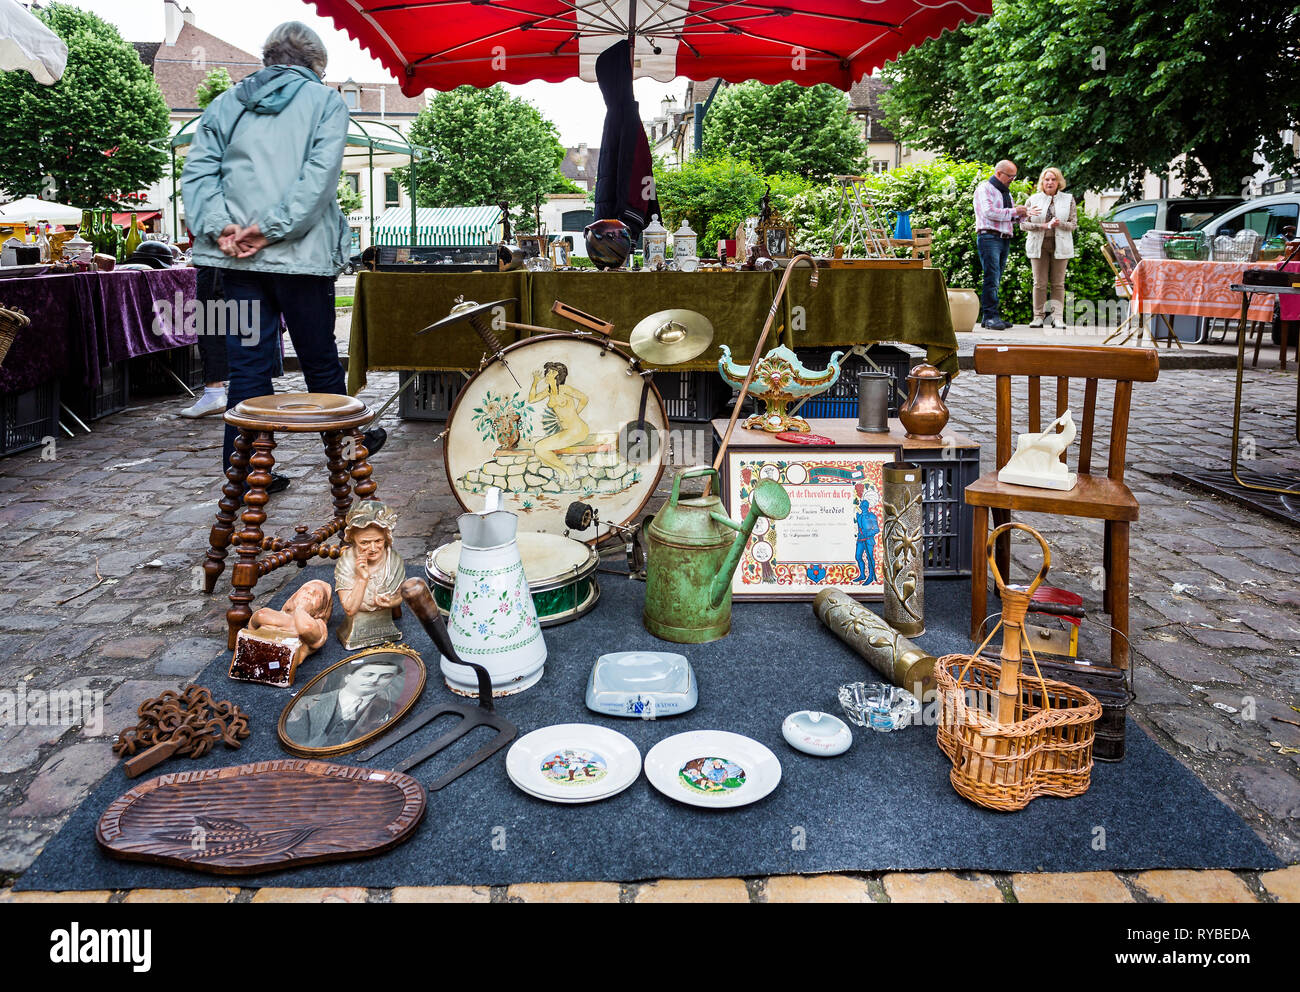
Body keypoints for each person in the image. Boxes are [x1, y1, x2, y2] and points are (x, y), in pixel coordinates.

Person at [180, 21, 383, 491]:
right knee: (319, 359)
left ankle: (247, 472)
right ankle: (350, 454)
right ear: (316, 65)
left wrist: (224, 229)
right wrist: (269, 230)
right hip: (301, 255)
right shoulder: (326, 101)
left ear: (268, 59)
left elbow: (198, 172)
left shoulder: (225, 102)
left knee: (246, 367)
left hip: (233, 258)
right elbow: (319, 176)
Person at [284, 655, 404, 749]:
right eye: (368, 674)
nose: (374, 680)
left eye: (386, 676)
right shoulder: (307, 703)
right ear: (348, 677)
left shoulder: (392, 709)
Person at [973, 160, 1036, 329]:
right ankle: (991, 316)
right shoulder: (984, 189)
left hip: (1003, 238)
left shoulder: (1006, 193)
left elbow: (1008, 217)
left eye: (1014, 177)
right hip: (989, 237)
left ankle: (989, 318)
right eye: (1010, 176)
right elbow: (989, 212)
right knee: (991, 277)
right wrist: (1016, 211)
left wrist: (1024, 215)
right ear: (999, 173)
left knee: (996, 277)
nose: (1012, 180)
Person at [1021, 167, 1078, 328]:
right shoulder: (1033, 199)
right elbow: (1023, 224)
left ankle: (1057, 317)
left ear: (1059, 181)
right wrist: (1043, 226)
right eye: (1047, 179)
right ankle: (1038, 316)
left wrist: (1060, 224)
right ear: (1042, 182)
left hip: (1061, 244)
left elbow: (1073, 224)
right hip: (1038, 245)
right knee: (1039, 283)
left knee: (1058, 283)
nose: (1050, 182)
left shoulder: (1068, 199)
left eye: (1053, 179)